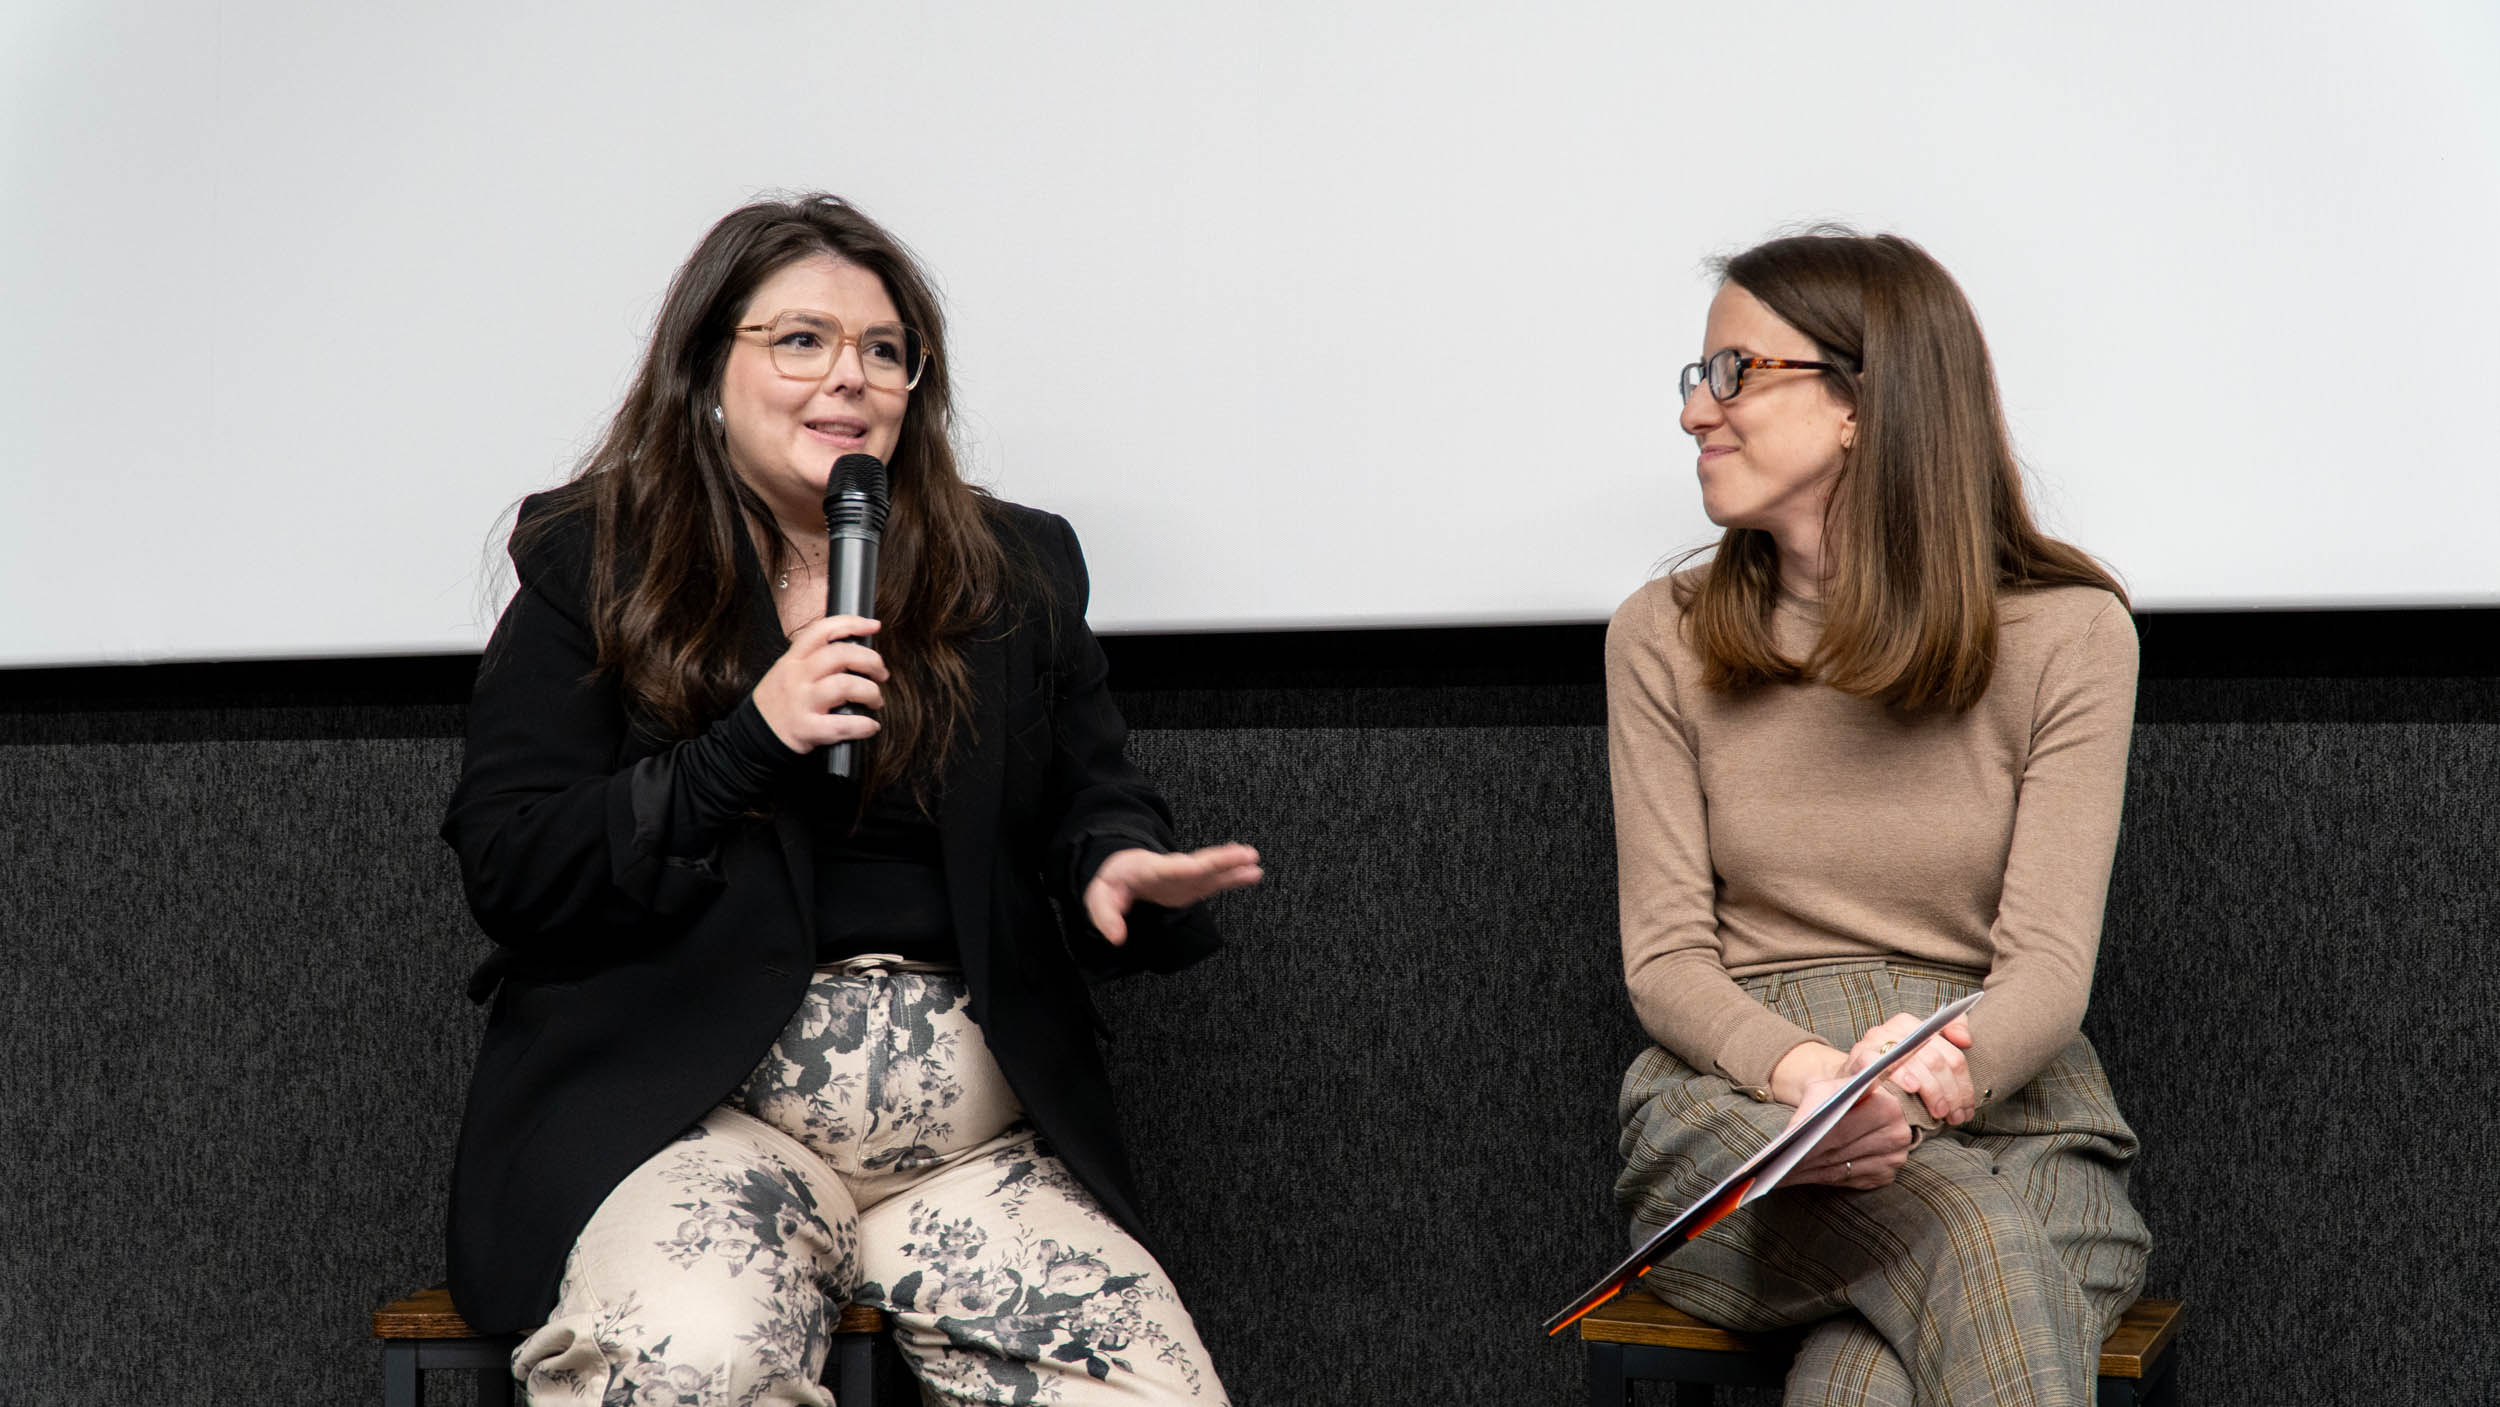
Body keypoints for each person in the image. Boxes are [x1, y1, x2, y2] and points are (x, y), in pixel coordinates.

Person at [439, 193, 1260, 1406]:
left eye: (885, 350)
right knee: (686, 1365)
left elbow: (1094, 798)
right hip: (696, 1126)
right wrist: (747, 743)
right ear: (705, 372)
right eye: (801, 340)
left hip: (968, 1157)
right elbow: (514, 863)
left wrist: (1117, 865)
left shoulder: (1012, 569)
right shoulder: (594, 561)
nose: (851, 378)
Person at [1606, 231, 2151, 1406]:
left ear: (1861, 401)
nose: (1695, 413)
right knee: (1963, 1233)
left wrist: (1903, 1088)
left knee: (1857, 1384)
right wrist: (1813, 1081)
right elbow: (1664, 962)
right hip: (1746, 1109)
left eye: (1734, 374)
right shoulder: (1660, 634)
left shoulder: (2070, 635)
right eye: (1698, 378)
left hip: (2006, 1110)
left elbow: (2047, 970)